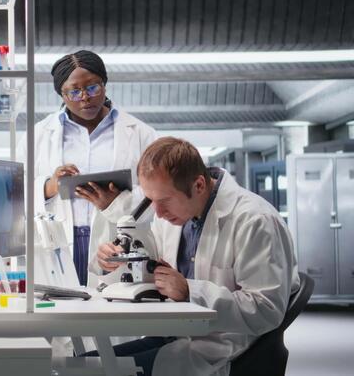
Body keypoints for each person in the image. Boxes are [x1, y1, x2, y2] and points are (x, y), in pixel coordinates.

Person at [93, 137, 299, 376]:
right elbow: (153, 270)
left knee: (93, 371)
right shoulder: (173, 217)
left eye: (164, 201)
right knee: (85, 363)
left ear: (199, 185)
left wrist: (189, 291)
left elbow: (266, 309)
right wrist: (113, 263)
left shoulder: (255, 220)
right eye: (151, 201)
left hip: (223, 347)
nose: (158, 213)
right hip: (175, 334)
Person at [21, 50, 156, 287]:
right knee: (60, 305)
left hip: (115, 243)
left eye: (93, 88)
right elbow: (15, 194)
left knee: (112, 304)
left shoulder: (141, 134)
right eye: (74, 92)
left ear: (104, 84)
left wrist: (116, 203)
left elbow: (158, 194)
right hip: (58, 242)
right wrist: (49, 187)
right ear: (62, 94)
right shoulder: (38, 135)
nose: (85, 97)